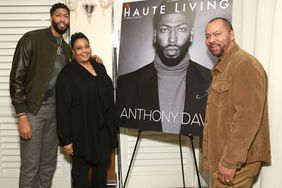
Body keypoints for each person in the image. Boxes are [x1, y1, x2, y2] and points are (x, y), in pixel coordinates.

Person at [116, 0, 211, 135]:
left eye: (181, 29)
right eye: (165, 29)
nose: (172, 39)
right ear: (155, 35)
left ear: (191, 34)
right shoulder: (127, 83)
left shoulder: (210, 79)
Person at [202, 17, 271, 187]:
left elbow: (247, 119)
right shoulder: (224, 67)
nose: (211, 40)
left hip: (237, 163)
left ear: (231, 35)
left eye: (217, 34)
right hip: (224, 160)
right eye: (207, 36)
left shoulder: (245, 64)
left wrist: (230, 162)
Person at [9, 3, 72, 187]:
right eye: (59, 15)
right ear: (51, 17)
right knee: (30, 167)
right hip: (33, 112)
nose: (62, 19)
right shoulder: (32, 39)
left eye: (66, 16)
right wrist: (22, 115)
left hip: (56, 114)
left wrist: (92, 59)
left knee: (48, 166)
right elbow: (16, 79)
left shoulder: (67, 49)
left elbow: (72, 76)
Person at [55, 32, 117, 188]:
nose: (84, 51)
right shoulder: (67, 74)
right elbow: (62, 108)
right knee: (80, 176)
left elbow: (107, 94)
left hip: (103, 131)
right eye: (79, 48)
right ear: (73, 51)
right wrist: (66, 140)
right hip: (81, 133)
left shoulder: (99, 65)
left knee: (101, 173)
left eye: (86, 46)